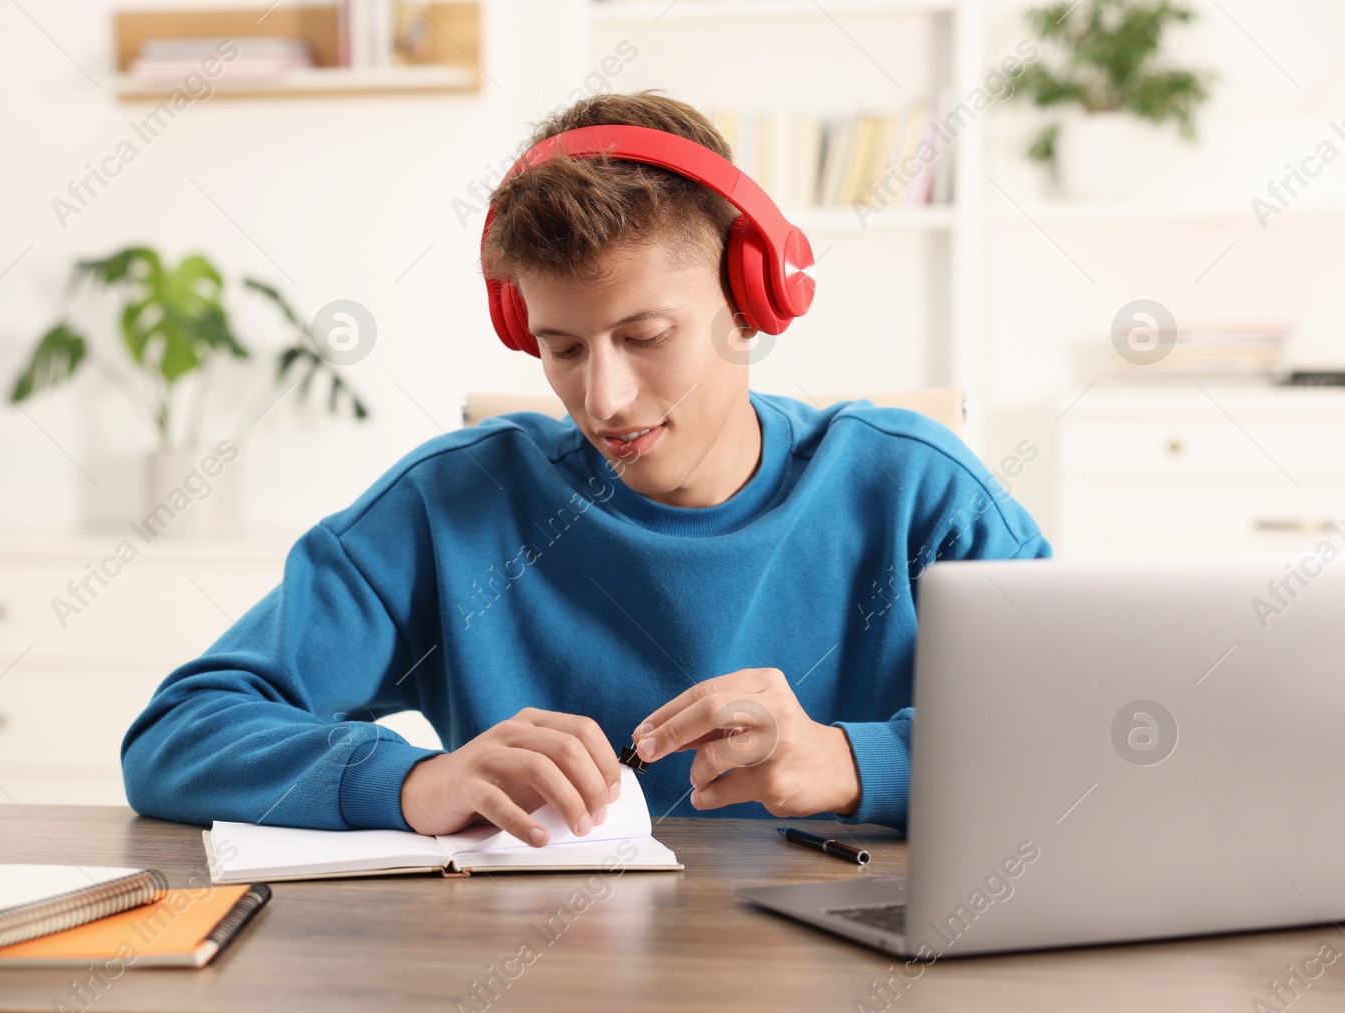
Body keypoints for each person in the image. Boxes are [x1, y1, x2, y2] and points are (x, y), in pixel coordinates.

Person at [121, 90, 1051, 845]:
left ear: (752, 300)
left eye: (644, 336)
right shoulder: (450, 507)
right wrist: (413, 780)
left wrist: (856, 764)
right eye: (562, 347)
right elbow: (179, 733)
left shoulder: (918, 492)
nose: (602, 397)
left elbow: (1095, 731)